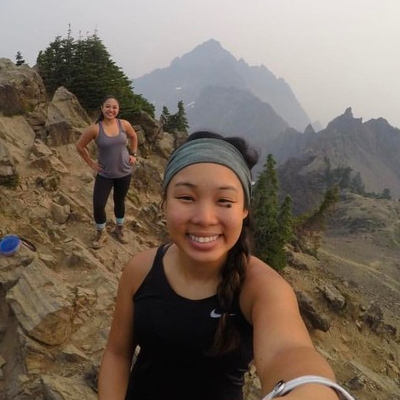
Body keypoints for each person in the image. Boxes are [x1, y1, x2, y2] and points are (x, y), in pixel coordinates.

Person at [97, 131, 347, 400]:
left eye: (224, 201)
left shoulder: (262, 289)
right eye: (186, 197)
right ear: (164, 203)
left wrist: (310, 390)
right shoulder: (140, 270)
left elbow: (289, 353)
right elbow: (117, 354)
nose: (205, 218)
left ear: (244, 210)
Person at [76, 95, 138, 249]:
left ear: (118, 109)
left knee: (119, 201)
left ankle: (119, 229)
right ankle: (101, 232)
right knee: (98, 204)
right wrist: (91, 163)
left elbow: (133, 136)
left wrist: (133, 154)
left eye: (114, 107)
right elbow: (80, 146)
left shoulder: (124, 124)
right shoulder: (95, 128)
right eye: (108, 106)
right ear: (102, 108)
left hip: (124, 171)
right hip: (105, 173)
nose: (111, 110)